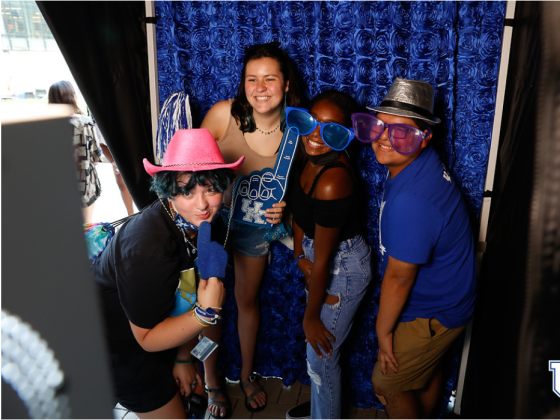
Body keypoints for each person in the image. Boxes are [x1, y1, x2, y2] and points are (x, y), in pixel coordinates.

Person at [92, 129, 243, 419]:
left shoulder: (209, 225)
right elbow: (146, 339)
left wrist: (184, 357)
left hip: (163, 328)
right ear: (168, 191)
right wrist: (206, 313)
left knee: (194, 397)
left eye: (211, 189)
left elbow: (189, 292)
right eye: (187, 191)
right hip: (119, 349)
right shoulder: (147, 248)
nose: (202, 205)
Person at [352, 78, 477, 418]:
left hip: (436, 309)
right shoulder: (419, 165)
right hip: (445, 295)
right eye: (381, 125)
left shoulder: (413, 199)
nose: (384, 137)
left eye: (401, 131)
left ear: (426, 138)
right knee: (424, 372)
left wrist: (383, 331)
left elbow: (399, 279)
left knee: (389, 383)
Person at [200, 41, 302, 412]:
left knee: (246, 300)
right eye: (251, 79)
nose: (260, 88)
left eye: (270, 79)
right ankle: (211, 380)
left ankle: (244, 375)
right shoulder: (224, 114)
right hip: (212, 222)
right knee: (207, 302)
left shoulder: (298, 130)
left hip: (254, 231)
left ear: (286, 83)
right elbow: (188, 167)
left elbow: (305, 193)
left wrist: (285, 215)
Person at [283, 91, 372, 419]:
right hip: (318, 256)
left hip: (343, 267)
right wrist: (296, 254)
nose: (316, 135)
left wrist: (310, 318)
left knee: (320, 357)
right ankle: (324, 408)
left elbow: (324, 260)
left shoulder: (333, 179)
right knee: (317, 358)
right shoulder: (306, 154)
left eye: (331, 130)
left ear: (346, 136)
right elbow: (299, 213)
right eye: (311, 123)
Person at [48, 80, 102, 224]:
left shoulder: (47, 126)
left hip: (58, 185)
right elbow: (96, 157)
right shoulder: (85, 123)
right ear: (73, 97)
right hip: (85, 184)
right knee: (86, 225)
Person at [95, 126, 135, 216]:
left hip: (134, 148)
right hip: (116, 154)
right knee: (122, 184)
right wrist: (113, 162)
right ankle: (130, 215)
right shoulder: (100, 122)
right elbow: (102, 145)